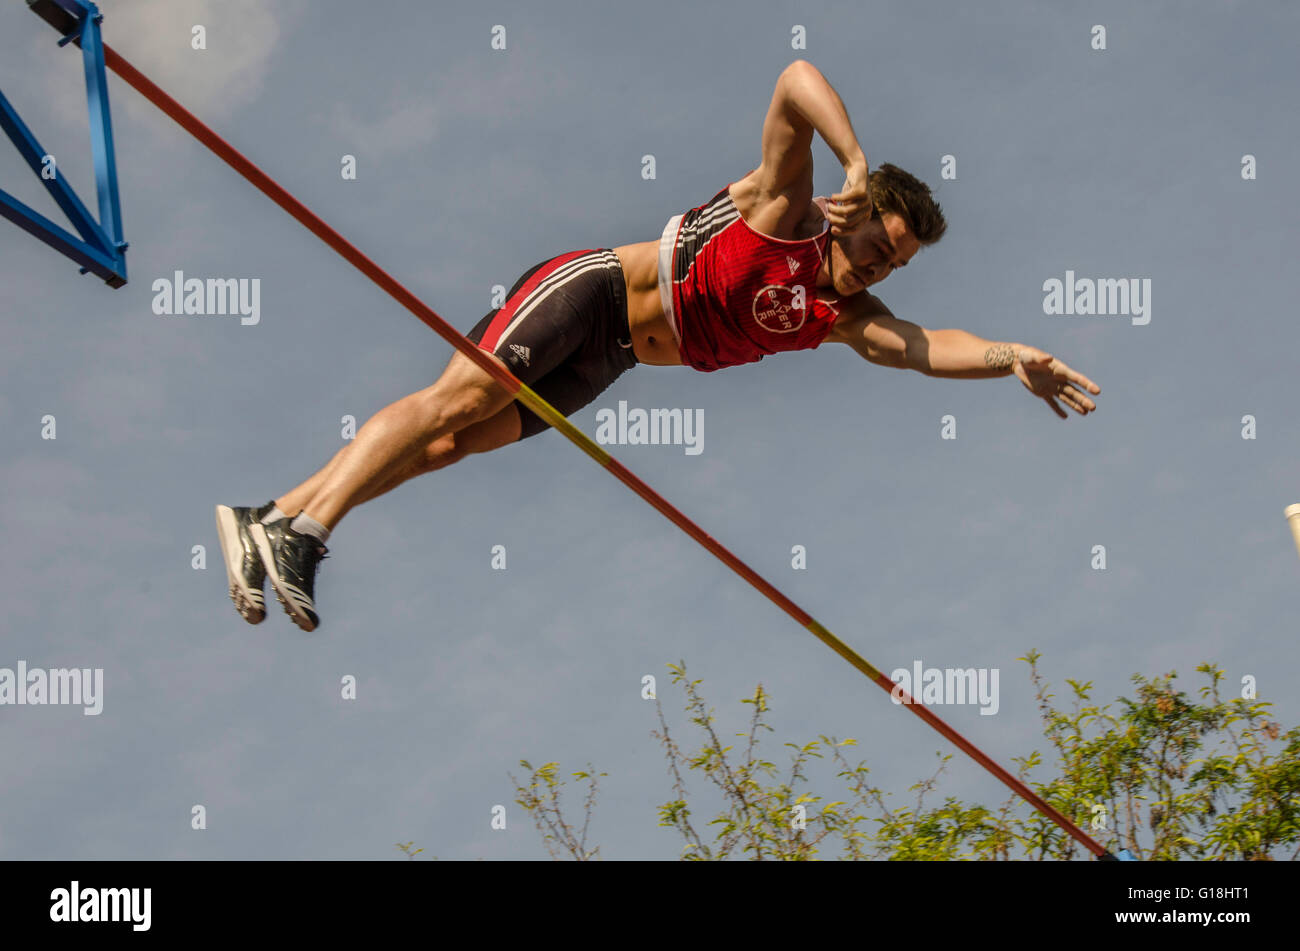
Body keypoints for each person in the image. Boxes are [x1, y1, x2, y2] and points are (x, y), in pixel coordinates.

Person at [216, 59, 1100, 632]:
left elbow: (926, 346)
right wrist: (856, 157)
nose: (879, 268)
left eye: (895, 264)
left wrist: (1012, 354)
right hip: (594, 292)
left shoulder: (845, 318)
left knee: (452, 443)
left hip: (615, 358)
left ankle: (265, 518)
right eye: (878, 245)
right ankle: (309, 529)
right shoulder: (787, 205)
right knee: (461, 400)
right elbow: (795, 79)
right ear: (857, 213)